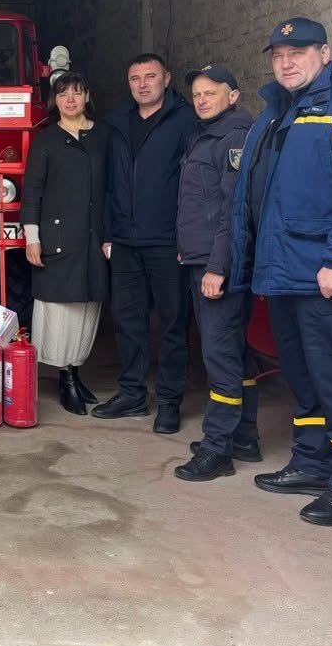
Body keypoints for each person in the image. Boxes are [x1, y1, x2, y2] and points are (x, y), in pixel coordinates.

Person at [229, 18, 332, 526]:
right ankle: (312, 463)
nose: (286, 63)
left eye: (298, 52)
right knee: (303, 375)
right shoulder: (278, 110)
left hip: (327, 275)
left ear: (324, 53)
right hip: (285, 272)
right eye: (278, 55)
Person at [94, 53, 197, 432]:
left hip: (168, 241)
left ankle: (169, 401)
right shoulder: (117, 123)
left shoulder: (186, 121)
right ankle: (132, 394)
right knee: (127, 321)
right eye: (135, 78)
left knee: (172, 323)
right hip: (124, 241)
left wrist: (187, 236)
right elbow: (107, 184)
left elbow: (194, 185)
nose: (142, 84)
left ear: (166, 79)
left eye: (150, 76)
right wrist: (109, 234)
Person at [172, 66, 258, 482]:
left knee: (219, 355)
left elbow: (232, 209)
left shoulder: (233, 136)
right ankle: (244, 436)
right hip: (202, 257)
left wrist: (216, 267)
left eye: (211, 92)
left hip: (216, 263)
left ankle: (218, 448)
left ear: (233, 95)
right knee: (234, 351)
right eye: (197, 94)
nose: (202, 100)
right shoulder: (206, 134)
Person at [21, 70, 109, 415]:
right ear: (54, 101)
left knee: (87, 304)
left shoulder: (104, 136)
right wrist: (32, 237)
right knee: (59, 309)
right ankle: (65, 376)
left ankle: (76, 369)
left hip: (94, 236)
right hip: (57, 236)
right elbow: (32, 191)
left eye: (76, 92)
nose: (70, 99)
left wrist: (111, 235)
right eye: (62, 94)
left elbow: (114, 187)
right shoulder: (46, 140)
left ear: (87, 96)